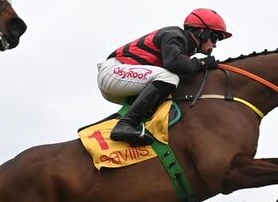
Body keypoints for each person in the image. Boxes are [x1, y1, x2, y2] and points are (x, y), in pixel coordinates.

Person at [97, 8, 232, 146]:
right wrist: (202, 63)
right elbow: (174, 63)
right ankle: (125, 124)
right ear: (202, 32)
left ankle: (137, 123)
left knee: (171, 85)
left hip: (121, 80)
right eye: (215, 38)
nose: (215, 44)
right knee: (170, 77)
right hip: (113, 72)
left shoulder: (184, 48)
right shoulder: (175, 35)